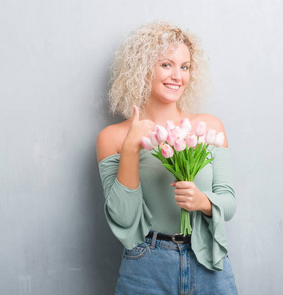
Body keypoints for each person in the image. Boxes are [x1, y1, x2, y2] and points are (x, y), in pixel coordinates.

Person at [96, 21, 238, 294]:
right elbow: (125, 220)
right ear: (140, 68)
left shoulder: (208, 127)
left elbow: (229, 202)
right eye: (166, 65)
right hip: (146, 265)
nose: (177, 76)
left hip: (207, 257)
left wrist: (203, 201)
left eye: (184, 67)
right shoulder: (112, 138)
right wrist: (131, 148)